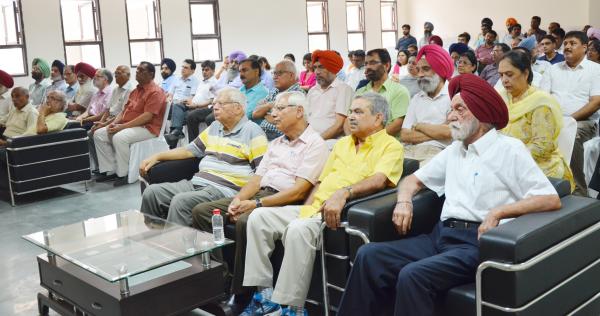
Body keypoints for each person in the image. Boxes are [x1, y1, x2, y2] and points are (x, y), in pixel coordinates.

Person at [337, 73, 561, 316]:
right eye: (451, 109)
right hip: (440, 236)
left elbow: (550, 198)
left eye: (459, 109)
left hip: (476, 243)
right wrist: (404, 202)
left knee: (413, 275)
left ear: (481, 113)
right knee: (369, 255)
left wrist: (499, 212)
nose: (450, 116)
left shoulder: (509, 149)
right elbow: (412, 180)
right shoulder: (456, 149)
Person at [241, 92, 404, 316]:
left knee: (298, 229)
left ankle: (294, 309)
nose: (351, 117)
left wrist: (342, 194)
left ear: (378, 118)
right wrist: (306, 208)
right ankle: (265, 296)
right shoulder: (342, 144)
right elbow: (320, 183)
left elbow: (379, 180)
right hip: (314, 209)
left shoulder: (391, 146)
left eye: (358, 112)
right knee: (258, 217)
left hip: (338, 213)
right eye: (350, 112)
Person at [191, 91, 328, 311]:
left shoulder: (315, 144)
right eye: (274, 109)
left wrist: (255, 205)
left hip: (283, 200)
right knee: (202, 211)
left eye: (280, 109)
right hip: (261, 193)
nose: (274, 114)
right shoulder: (276, 143)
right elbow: (256, 180)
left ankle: (242, 293)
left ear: (299, 112)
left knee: (247, 219)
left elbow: (299, 191)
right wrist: (238, 200)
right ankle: (221, 276)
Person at [139, 87, 268, 226]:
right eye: (215, 103)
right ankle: (153, 240)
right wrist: (157, 156)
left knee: (180, 201)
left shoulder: (253, 132)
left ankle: (174, 245)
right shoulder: (215, 126)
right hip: (197, 183)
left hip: (223, 190)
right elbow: (190, 150)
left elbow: (261, 174)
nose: (215, 107)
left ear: (238, 108)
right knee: (151, 193)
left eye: (221, 104)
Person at [498, 50, 574, 190]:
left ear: (526, 73)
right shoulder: (502, 97)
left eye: (509, 74)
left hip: (537, 165)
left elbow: (542, 146)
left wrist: (508, 161)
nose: (504, 80)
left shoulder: (540, 102)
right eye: (501, 75)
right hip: (503, 162)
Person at [540, 31, 600, 196]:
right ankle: (542, 185)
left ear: (584, 47)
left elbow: (596, 102)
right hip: (552, 120)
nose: (567, 47)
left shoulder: (595, 70)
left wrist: (568, 120)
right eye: (565, 43)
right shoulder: (553, 69)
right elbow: (543, 99)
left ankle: (578, 190)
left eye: (572, 43)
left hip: (583, 121)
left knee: (571, 134)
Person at [94, 61, 167, 186]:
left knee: (120, 137)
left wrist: (122, 127)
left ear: (151, 74)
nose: (137, 73)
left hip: (148, 128)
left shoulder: (155, 91)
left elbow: (147, 117)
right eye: (137, 70)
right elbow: (124, 111)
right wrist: (111, 124)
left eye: (141, 71)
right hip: (129, 125)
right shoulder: (135, 91)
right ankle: (110, 170)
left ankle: (124, 174)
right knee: (99, 134)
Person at [401, 44, 453, 166]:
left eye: (425, 69)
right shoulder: (417, 98)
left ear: (440, 70)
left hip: (439, 152)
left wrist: (420, 126)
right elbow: (404, 135)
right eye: (418, 70)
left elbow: (450, 131)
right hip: (410, 150)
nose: (420, 75)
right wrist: (438, 132)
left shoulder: (454, 96)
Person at [356, 48, 410, 138]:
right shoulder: (360, 92)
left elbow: (397, 124)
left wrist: (369, 140)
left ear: (386, 65)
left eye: (372, 63)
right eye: (366, 64)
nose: (368, 67)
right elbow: (348, 120)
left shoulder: (399, 91)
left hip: (385, 145)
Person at [89, 66, 133, 173]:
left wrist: (104, 125)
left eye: (120, 73)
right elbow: (107, 110)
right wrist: (102, 122)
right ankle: (102, 167)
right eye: (116, 73)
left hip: (121, 120)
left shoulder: (130, 90)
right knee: (90, 133)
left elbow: (122, 114)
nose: (116, 75)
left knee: (98, 134)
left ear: (128, 76)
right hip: (110, 119)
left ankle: (111, 169)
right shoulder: (115, 89)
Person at [306, 50, 354, 148]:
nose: (317, 72)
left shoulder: (343, 89)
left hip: (330, 142)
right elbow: (305, 119)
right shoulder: (312, 91)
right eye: (315, 67)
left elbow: (339, 126)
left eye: (321, 67)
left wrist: (314, 142)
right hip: (309, 139)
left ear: (333, 69)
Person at [253, 60, 304, 140]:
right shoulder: (274, 91)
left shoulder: (298, 94)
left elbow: (288, 123)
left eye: (279, 73)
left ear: (291, 75)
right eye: (274, 73)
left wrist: (265, 111)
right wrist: (270, 105)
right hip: (263, 134)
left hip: (281, 137)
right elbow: (255, 114)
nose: (274, 77)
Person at [165, 59, 199, 145]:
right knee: (163, 108)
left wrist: (182, 101)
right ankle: (176, 132)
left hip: (185, 104)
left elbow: (192, 98)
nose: (183, 69)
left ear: (192, 70)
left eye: (186, 68)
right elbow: (170, 94)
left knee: (176, 107)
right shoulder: (176, 79)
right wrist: (169, 99)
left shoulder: (195, 81)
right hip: (173, 104)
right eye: (182, 67)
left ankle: (175, 133)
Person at [186, 60, 218, 142]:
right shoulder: (201, 82)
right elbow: (197, 96)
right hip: (195, 105)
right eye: (203, 70)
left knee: (192, 115)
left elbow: (211, 101)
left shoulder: (214, 83)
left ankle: (199, 144)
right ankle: (191, 143)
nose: (204, 72)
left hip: (207, 108)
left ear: (213, 71)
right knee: (183, 111)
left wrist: (196, 106)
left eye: (207, 70)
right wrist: (191, 101)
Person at [238, 58, 269, 124]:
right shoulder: (240, 90)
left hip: (249, 132)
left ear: (256, 72)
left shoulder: (263, 93)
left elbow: (245, 116)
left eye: (244, 70)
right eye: (240, 71)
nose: (241, 75)